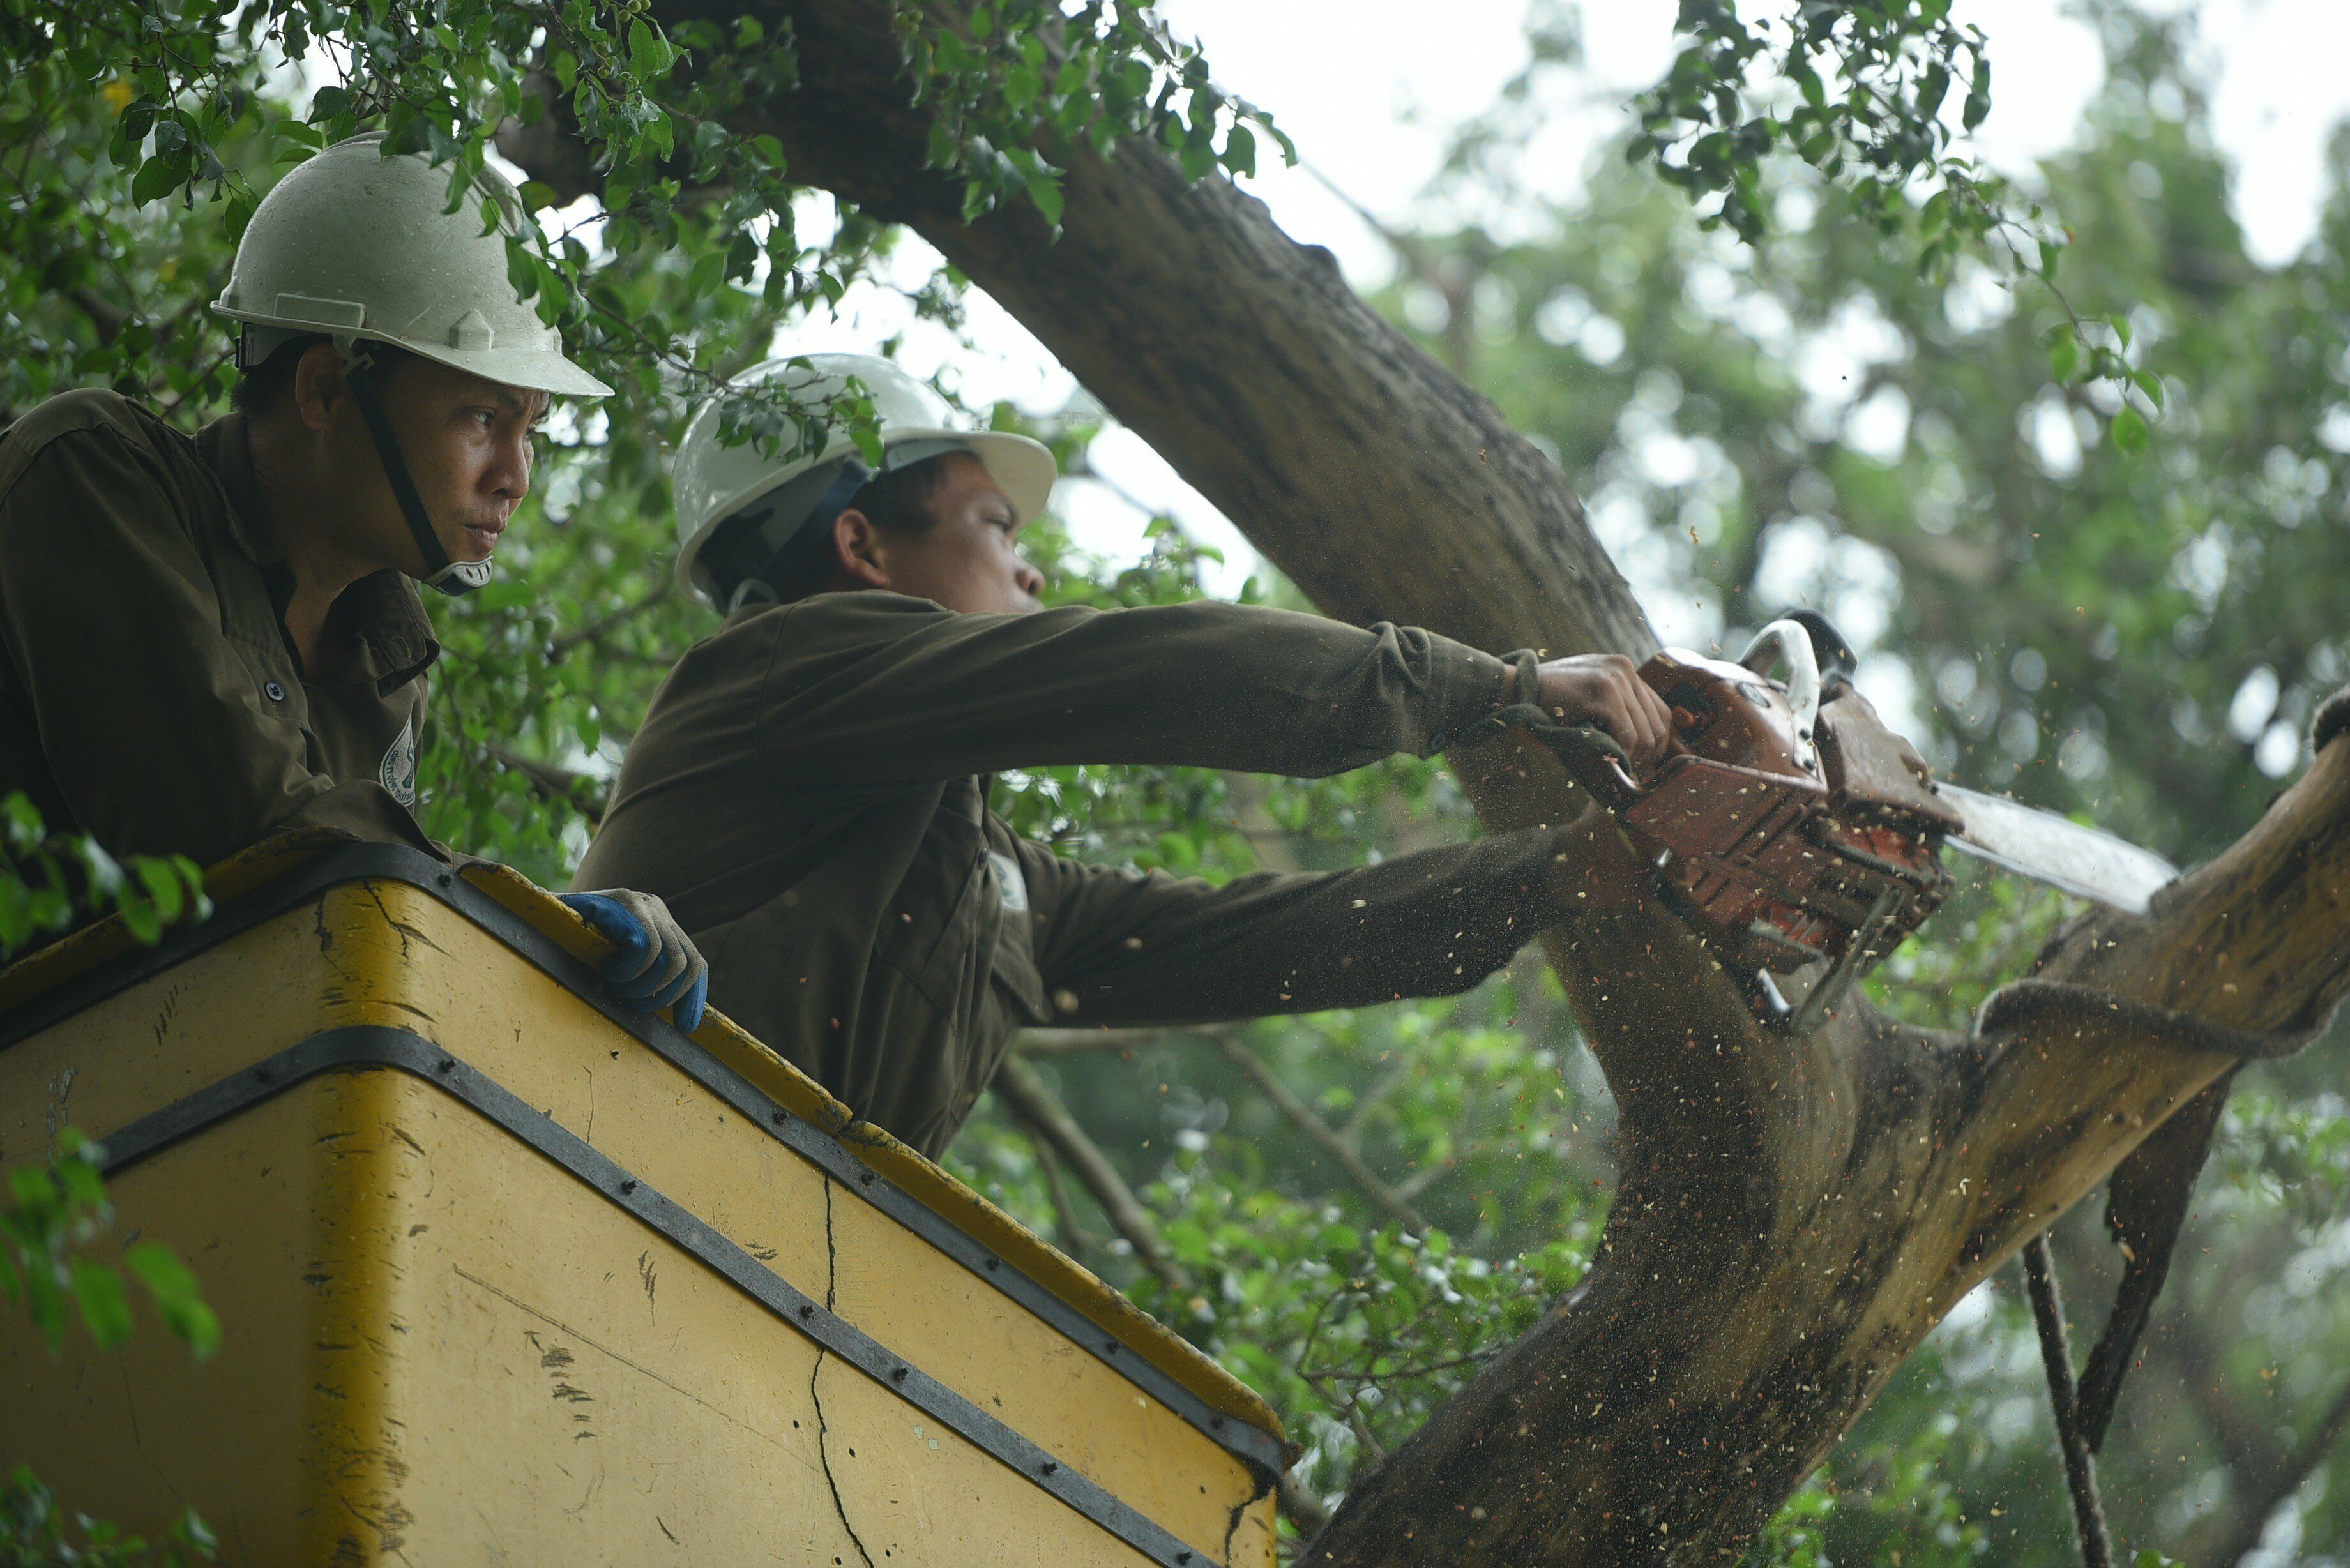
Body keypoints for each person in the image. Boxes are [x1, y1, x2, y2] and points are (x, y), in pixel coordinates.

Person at [576, 354, 1673, 1156]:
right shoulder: (779, 668)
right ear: (861, 545)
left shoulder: (979, 879)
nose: (1032, 569)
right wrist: (1506, 688)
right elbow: (1152, 674)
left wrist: (1563, 875)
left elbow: (1249, 944)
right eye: (997, 526)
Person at [0, 133, 704, 1025]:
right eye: (482, 417)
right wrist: (527, 926)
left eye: (531, 430)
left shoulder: (383, 658)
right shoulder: (89, 471)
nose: (515, 477)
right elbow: (241, 844)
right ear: (327, 392)